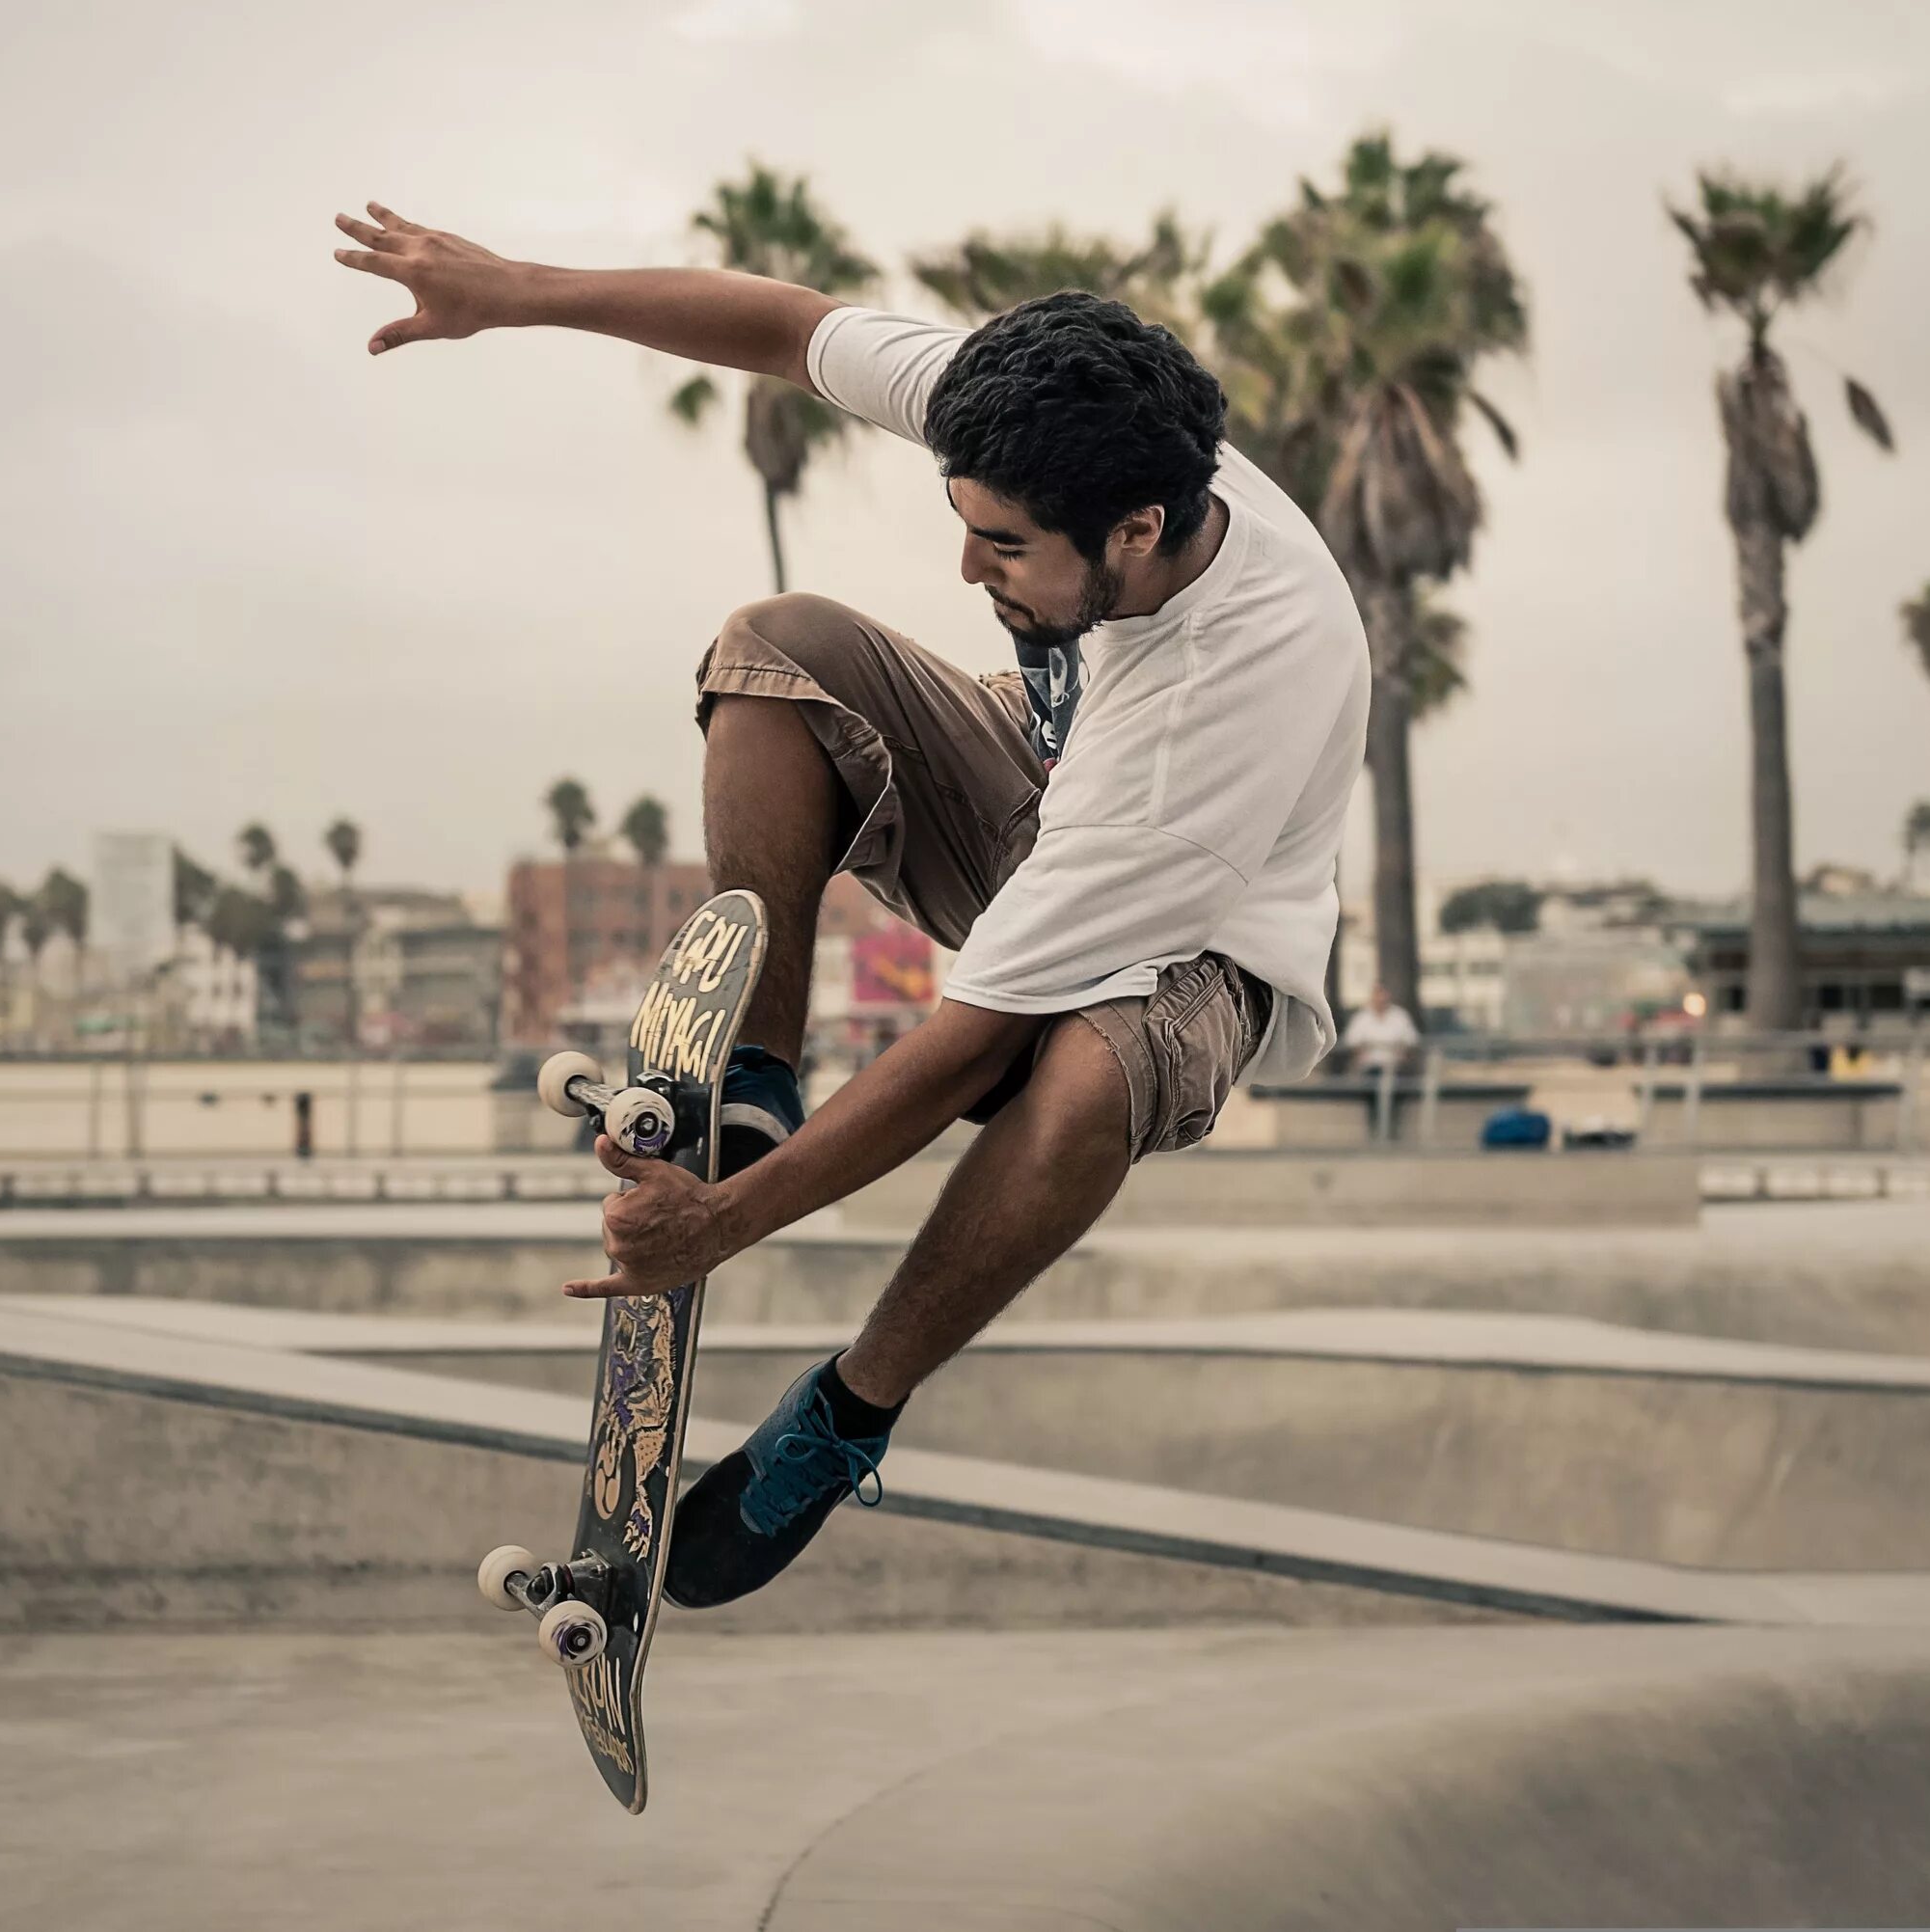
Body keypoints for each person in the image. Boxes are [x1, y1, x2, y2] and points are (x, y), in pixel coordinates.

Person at [334, 204, 1368, 1607]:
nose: (965, 570)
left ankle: (845, 1414)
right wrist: (513, 291)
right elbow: (781, 323)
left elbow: (975, 1042)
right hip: (1050, 785)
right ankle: (754, 1070)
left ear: (1137, 530)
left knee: (1078, 1073)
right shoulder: (1047, 415)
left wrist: (731, 1221)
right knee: (779, 649)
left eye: (1003, 547)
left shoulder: (1214, 715)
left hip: (1204, 949)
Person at [1341, 983, 1421, 1076]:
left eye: (1383, 996)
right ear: (1372, 997)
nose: (1380, 999)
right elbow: (1351, 1041)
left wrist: (1402, 1053)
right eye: (1377, 995)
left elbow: (1412, 1040)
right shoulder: (1361, 1017)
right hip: (1368, 1067)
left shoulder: (1400, 1016)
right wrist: (1360, 1054)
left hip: (1396, 1066)